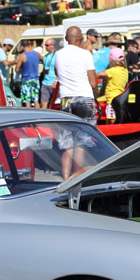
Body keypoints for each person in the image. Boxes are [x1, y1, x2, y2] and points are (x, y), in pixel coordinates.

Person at [53, 26, 99, 177]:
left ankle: (65, 176)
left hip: (66, 98)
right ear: (80, 38)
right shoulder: (85, 54)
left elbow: (56, 73)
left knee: (67, 141)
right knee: (82, 142)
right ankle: (77, 175)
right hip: (84, 97)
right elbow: (93, 82)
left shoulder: (58, 54)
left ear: (66, 39)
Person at [100, 47, 129, 117]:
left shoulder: (113, 70)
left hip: (112, 99)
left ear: (112, 60)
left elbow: (99, 74)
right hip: (119, 98)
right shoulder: (125, 70)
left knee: (111, 121)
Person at [15, 39, 41, 107]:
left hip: (27, 80)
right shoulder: (37, 54)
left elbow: (17, 69)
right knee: (36, 100)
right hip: (36, 79)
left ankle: (29, 115)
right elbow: (44, 60)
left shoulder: (22, 55)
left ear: (22, 47)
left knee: (27, 100)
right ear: (29, 45)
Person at [38, 38, 58, 108]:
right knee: (43, 103)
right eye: (45, 45)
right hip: (45, 83)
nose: (45, 47)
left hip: (54, 84)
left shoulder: (57, 55)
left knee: (53, 105)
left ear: (52, 45)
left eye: (47, 45)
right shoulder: (45, 57)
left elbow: (60, 70)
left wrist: (56, 81)